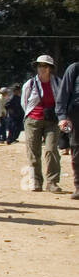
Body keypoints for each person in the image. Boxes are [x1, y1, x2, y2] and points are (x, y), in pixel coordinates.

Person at [22, 54, 63, 193]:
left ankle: (52, 182)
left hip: (52, 121)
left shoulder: (58, 82)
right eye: (39, 65)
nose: (42, 68)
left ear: (50, 68)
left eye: (45, 66)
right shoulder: (30, 83)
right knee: (33, 152)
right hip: (33, 120)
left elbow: (62, 100)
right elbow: (25, 102)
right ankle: (36, 181)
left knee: (51, 150)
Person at [55, 59, 79, 199]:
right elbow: (63, 94)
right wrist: (62, 116)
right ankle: (78, 186)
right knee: (77, 150)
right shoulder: (75, 69)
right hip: (76, 114)